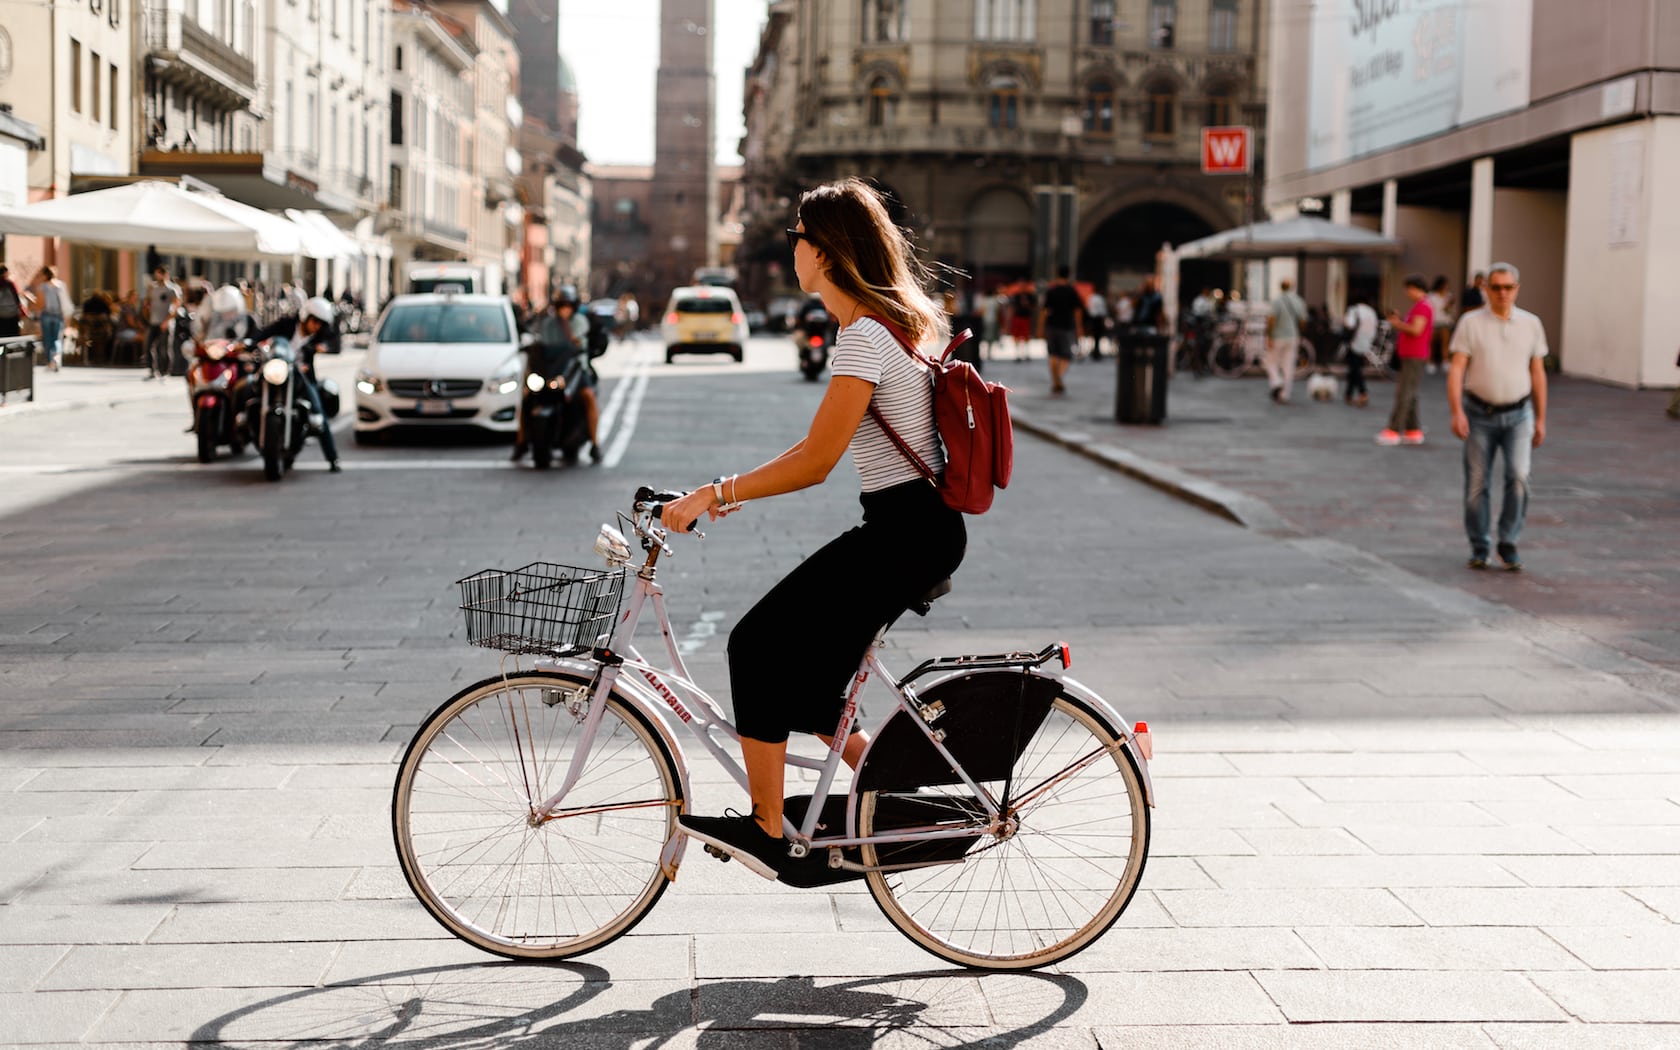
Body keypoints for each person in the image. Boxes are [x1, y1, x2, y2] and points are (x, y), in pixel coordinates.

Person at [660, 178, 966, 881]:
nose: (792, 245)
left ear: (825, 252)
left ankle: (770, 828)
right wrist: (732, 490)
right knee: (813, 686)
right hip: (914, 528)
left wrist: (716, 491)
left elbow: (816, 461)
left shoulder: (864, 337)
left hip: (905, 535)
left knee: (756, 643)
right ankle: (903, 794)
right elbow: (812, 455)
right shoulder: (889, 326)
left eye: (800, 235)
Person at [1446, 262, 1548, 571]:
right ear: (1486, 289)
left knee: (1518, 476)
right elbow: (1457, 368)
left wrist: (1541, 418)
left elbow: (1538, 372)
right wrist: (1456, 411)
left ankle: (1509, 541)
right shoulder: (1470, 322)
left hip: (1519, 415)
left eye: (1508, 287)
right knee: (1477, 483)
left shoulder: (1531, 324)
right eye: (1496, 287)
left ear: (1517, 289)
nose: (1502, 293)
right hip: (1479, 413)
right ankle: (1480, 545)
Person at [249, 296, 343, 472]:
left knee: (318, 410)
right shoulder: (287, 324)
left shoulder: (319, 335)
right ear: (306, 316)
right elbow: (264, 334)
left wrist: (321, 347)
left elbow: (334, 343)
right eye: (315, 321)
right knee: (248, 387)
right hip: (277, 370)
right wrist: (251, 343)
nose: (317, 326)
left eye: (320, 324)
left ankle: (332, 458)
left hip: (301, 375)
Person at [514, 286, 601, 463]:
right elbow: (541, 344)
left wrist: (576, 342)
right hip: (551, 370)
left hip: (574, 369)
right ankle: (521, 442)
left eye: (568, 305)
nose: (565, 308)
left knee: (587, 396)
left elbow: (577, 343)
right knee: (527, 397)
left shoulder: (580, 321)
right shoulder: (547, 323)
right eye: (562, 305)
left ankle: (595, 443)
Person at [1377, 275, 1434, 445]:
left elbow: (1416, 330)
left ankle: (1394, 430)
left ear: (1416, 289)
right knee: (1411, 393)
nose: (1407, 293)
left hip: (1414, 355)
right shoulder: (1421, 306)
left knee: (1405, 393)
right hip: (1412, 355)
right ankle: (1413, 430)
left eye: (1408, 289)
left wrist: (1397, 324)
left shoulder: (1423, 307)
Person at [1038, 267, 1083, 396]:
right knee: (1066, 356)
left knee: (1053, 354)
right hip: (1066, 326)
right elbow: (1077, 311)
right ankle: (1058, 380)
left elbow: (1044, 311)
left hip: (1051, 325)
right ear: (1069, 276)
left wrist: (1040, 327)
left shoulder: (1051, 291)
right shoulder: (1071, 291)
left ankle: (1056, 381)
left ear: (1057, 274)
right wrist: (1079, 328)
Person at [1264, 278, 1307, 403]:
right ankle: (1285, 395)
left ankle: (1277, 382)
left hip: (1278, 336)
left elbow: (1271, 319)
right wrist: (1298, 331)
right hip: (1293, 337)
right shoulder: (1298, 301)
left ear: (1281, 287)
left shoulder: (1276, 300)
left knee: (1271, 362)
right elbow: (1303, 320)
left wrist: (1269, 336)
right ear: (1292, 287)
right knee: (1288, 366)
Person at [143, 266, 181, 380]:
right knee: (149, 346)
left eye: (160, 273)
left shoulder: (172, 289)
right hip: (153, 321)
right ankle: (152, 370)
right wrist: (146, 312)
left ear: (165, 274)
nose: (158, 276)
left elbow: (176, 306)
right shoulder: (152, 288)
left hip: (166, 323)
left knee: (164, 348)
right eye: (156, 273)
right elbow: (147, 303)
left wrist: (167, 321)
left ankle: (165, 371)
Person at [28, 267, 70, 371]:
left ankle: (51, 361)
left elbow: (40, 304)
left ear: (45, 275)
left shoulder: (42, 287)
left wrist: (30, 300)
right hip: (58, 315)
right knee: (57, 339)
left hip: (46, 315)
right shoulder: (61, 285)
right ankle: (56, 358)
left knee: (47, 339)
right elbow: (65, 302)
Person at [1341, 292, 1378, 408]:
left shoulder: (1354, 310)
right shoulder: (1371, 312)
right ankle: (1348, 394)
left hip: (1354, 342)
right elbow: (1374, 329)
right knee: (1354, 368)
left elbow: (1350, 325)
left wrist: (1344, 320)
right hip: (1366, 342)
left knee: (1355, 368)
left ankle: (1363, 392)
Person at [1428, 275, 1455, 373]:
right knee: (1432, 343)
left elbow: (1449, 311)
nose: (1446, 286)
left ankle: (1445, 361)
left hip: (1445, 322)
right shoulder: (1431, 296)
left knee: (1445, 343)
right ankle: (1430, 362)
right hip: (1433, 322)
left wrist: (1449, 304)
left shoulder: (1449, 296)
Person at [0, 265, 26, 339]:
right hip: (12, 314)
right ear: (6, 273)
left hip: (0, 315)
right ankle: (10, 350)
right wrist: (21, 309)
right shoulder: (10, 283)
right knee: (12, 336)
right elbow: (16, 298)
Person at [1084, 288, 1109, 359]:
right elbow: (1103, 309)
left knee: (1093, 335)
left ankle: (1094, 352)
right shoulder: (1100, 298)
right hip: (1098, 319)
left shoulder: (1091, 298)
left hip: (1092, 318)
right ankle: (1096, 352)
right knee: (1097, 336)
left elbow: (1088, 308)